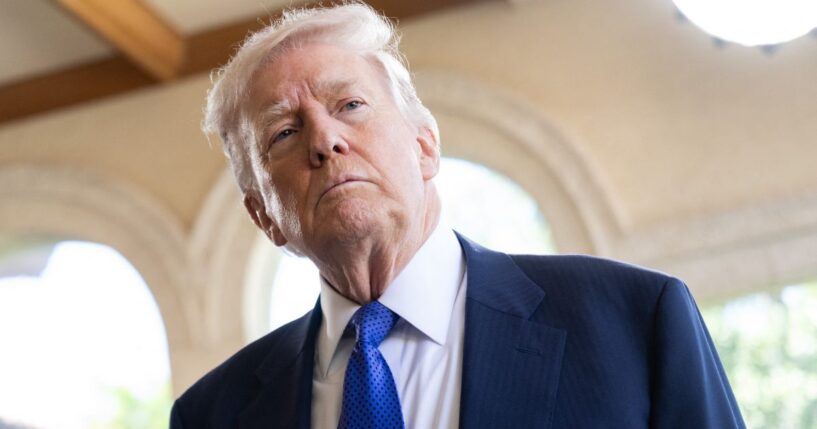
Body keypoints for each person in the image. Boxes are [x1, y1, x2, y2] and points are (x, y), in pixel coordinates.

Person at [170, 3, 745, 428]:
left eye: (350, 105)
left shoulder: (633, 322)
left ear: (424, 146)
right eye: (284, 133)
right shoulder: (210, 415)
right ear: (263, 216)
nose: (325, 141)